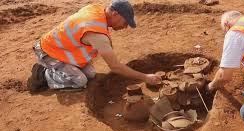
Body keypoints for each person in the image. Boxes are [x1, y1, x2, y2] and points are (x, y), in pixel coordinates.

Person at [27, 0, 161, 92]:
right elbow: (115, 67)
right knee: (80, 81)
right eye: (125, 22)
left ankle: (62, 69)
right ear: (115, 14)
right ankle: (43, 74)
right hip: (48, 51)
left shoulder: (97, 9)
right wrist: (145, 77)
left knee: (90, 74)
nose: (125, 27)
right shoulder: (95, 32)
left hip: (64, 49)